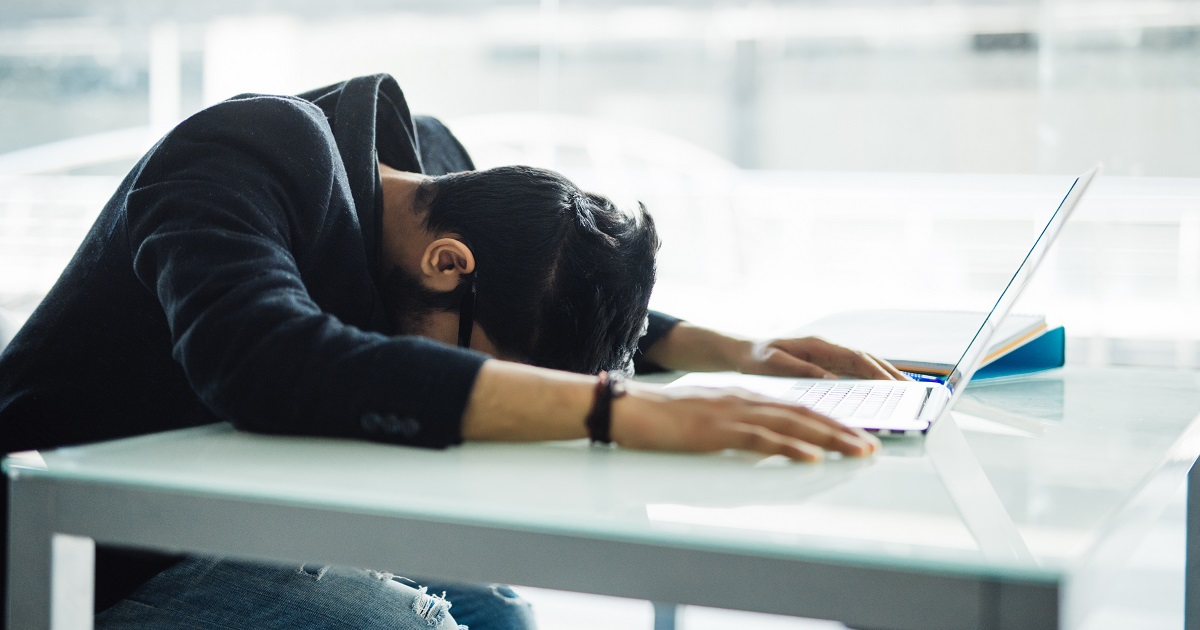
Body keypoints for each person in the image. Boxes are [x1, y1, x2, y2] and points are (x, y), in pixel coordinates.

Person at [0, 74, 902, 629]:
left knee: (497, 610)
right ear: (447, 262)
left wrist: (739, 350)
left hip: (247, 513)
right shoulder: (236, 158)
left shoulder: (436, 168)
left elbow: (538, 311)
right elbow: (264, 356)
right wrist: (611, 413)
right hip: (91, 549)